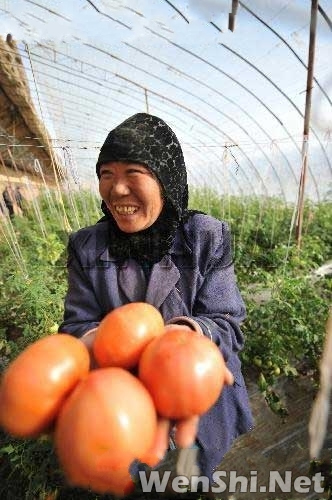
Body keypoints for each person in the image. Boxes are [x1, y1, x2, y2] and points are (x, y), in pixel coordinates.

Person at [59, 113, 253, 488]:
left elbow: (227, 321)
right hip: (124, 410)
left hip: (200, 404)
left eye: (134, 172)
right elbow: (77, 324)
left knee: (196, 473)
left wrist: (186, 337)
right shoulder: (87, 247)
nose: (116, 190)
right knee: (142, 478)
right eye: (106, 174)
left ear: (166, 179)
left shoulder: (206, 237)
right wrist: (95, 343)